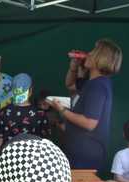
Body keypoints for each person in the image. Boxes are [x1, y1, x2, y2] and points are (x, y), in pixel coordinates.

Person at [49, 39, 123, 172]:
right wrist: (73, 67)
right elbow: (70, 85)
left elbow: (90, 123)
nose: (89, 53)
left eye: (93, 51)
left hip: (85, 154)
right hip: (80, 151)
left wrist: (62, 110)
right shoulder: (93, 83)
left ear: (101, 58)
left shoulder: (98, 85)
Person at [0, 73, 50, 149]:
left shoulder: (3, 112)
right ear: (30, 90)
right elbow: (45, 142)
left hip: (8, 156)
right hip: (32, 157)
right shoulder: (40, 114)